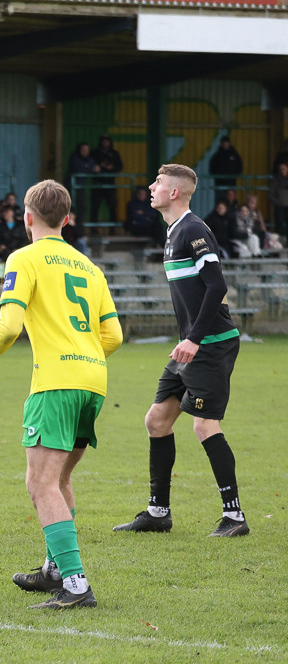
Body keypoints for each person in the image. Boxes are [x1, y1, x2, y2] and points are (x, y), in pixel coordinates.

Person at [0, 178, 122, 610]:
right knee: (60, 479)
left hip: (57, 383)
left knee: (39, 482)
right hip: (93, 381)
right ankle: (54, 571)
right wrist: (83, 355)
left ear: (27, 217)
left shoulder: (23, 257)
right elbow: (114, 335)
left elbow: (9, 327)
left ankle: (77, 585)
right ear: (66, 219)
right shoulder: (90, 267)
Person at [113, 164, 248, 538]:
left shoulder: (193, 229)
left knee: (204, 425)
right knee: (157, 420)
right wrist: (188, 338)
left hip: (210, 344)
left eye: (157, 183)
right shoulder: (173, 231)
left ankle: (234, 517)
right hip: (190, 345)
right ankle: (158, 513)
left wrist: (194, 338)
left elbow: (216, 284)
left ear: (175, 192)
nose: (151, 187)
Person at [90, 134, 123, 223]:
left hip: (110, 183)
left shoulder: (114, 153)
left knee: (112, 206)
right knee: (95, 206)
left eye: (107, 141)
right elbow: (90, 166)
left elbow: (120, 167)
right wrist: (100, 166)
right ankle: (94, 230)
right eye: (103, 141)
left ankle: (113, 230)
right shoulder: (95, 153)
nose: (105, 143)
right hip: (97, 183)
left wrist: (112, 167)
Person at [66, 142, 97, 223]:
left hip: (80, 188)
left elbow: (94, 168)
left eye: (87, 150)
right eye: (83, 150)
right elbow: (79, 170)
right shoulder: (75, 158)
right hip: (70, 187)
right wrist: (89, 168)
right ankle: (69, 232)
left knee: (82, 208)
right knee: (70, 210)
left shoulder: (89, 159)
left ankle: (78, 231)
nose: (85, 152)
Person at [208, 136, 243, 206]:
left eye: (226, 143)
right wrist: (218, 177)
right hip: (220, 184)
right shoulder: (217, 156)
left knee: (231, 201)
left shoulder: (234, 155)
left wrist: (234, 175)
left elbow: (239, 166)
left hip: (231, 183)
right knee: (220, 202)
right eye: (224, 143)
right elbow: (212, 168)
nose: (225, 144)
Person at [267, 162, 288, 238]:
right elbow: (270, 195)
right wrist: (278, 203)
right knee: (279, 227)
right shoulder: (276, 181)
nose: (283, 170)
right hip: (279, 208)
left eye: (284, 168)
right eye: (281, 169)